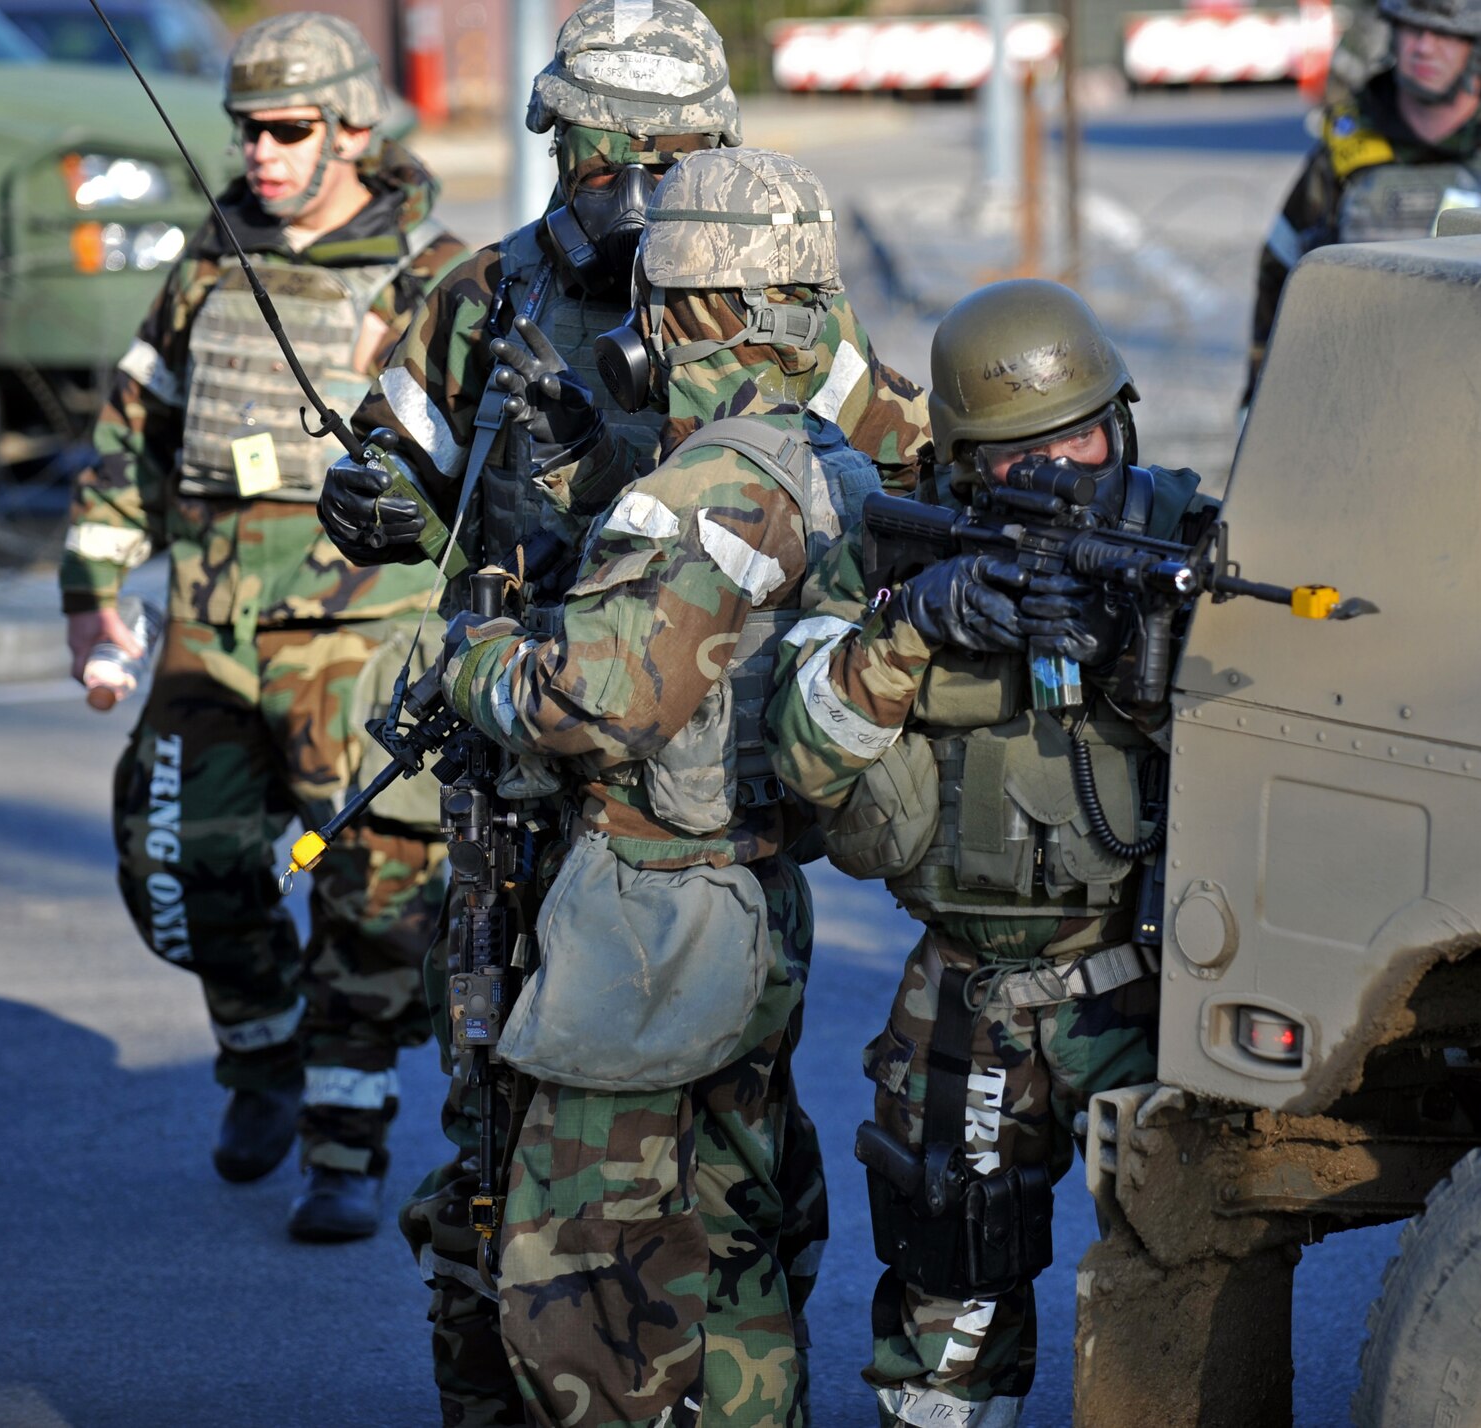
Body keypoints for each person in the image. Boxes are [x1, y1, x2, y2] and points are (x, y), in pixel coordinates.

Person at [319, 3, 928, 1419]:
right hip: (517, 802)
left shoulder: (769, 291)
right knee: (509, 1150)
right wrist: (375, 507)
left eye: (677, 158)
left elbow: (872, 475)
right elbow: (394, 476)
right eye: (617, 167)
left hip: (692, 806)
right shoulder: (488, 295)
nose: (647, 195)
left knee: (726, 1169)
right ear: (562, 150)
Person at [413, 145, 879, 1428]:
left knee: (595, 1286)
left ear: (694, 312)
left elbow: (592, 705)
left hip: (648, 921)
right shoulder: (831, 461)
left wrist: (472, 665)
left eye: (653, 305)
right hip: (748, 904)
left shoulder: (703, 489)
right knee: (728, 1242)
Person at [765, 278, 1212, 1427]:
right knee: (946, 1287)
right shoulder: (895, 568)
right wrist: (919, 624)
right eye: (1027, 452)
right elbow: (807, 764)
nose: (1066, 468)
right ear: (964, 466)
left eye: (1083, 433)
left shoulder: (1182, 543)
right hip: (965, 991)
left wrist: (1145, 656)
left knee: (1183, 1285)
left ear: (1122, 422)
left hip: (1150, 979)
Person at [57, 12, 464, 1241]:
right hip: (214, 628)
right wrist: (92, 598)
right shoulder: (207, 259)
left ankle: (346, 1142)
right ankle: (263, 1050)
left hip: (367, 640)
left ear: (352, 129)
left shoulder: (436, 275)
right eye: (244, 130)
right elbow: (135, 431)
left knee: (374, 892)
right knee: (176, 865)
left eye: (287, 129)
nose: (262, 152)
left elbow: (497, 471)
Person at [1248, 0, 1481, 398]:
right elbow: (1279, 277)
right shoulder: (1346, 157)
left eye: (1445, 33)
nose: (1423, 47)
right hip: (1356, 406)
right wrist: (1258, 409)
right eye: (1411, 28)